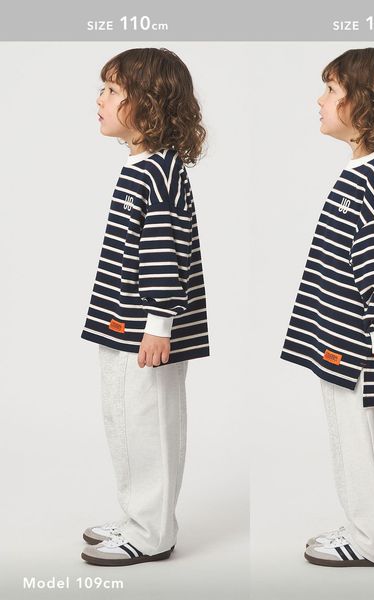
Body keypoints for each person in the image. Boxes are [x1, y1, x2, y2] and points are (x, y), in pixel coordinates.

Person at [280, 47, 374, 568]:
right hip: (349, 337)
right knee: (365, 438)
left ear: (365, 104)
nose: (319, 100)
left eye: (331, 90)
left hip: (361, 346)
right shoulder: (368, 172)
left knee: (362, 439)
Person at [79, 47, 210, 566]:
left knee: (147, 426)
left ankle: (151, 532)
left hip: (146, 333)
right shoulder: (142, 168)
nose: (100, 99)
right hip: (123, 326)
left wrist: (158, 324)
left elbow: (163, 254)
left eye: (113, 90)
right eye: (104, 88)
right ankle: (138, 516)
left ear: (150, 104)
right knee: (124, 423)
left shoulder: (157, 172)